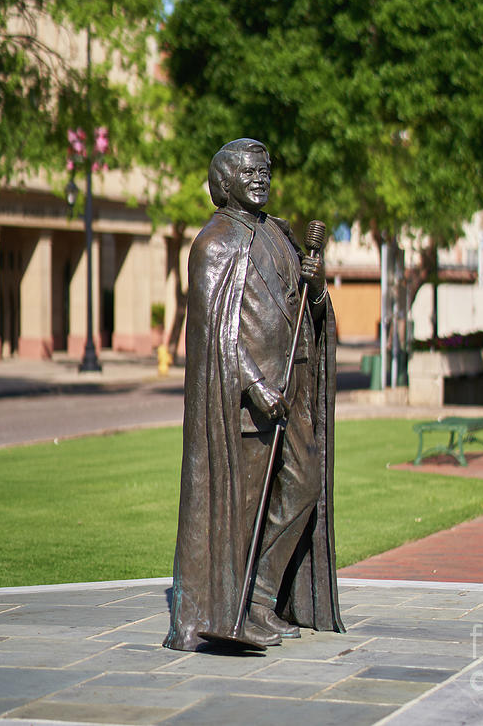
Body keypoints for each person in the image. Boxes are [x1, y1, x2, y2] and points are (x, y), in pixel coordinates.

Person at [163, 138, 344, 651]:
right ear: (224, 181)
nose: (261, 177)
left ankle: (262, 598)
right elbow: (213, 336)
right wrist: (255, 383)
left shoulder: (282, 237)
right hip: (244, 403)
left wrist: (317, 285)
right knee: (241, 510)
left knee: (304, 487)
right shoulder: (214, 243)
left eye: (265, 168)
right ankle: (233, 610)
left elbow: (309, 310)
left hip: (295, 392)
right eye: (249, 170)